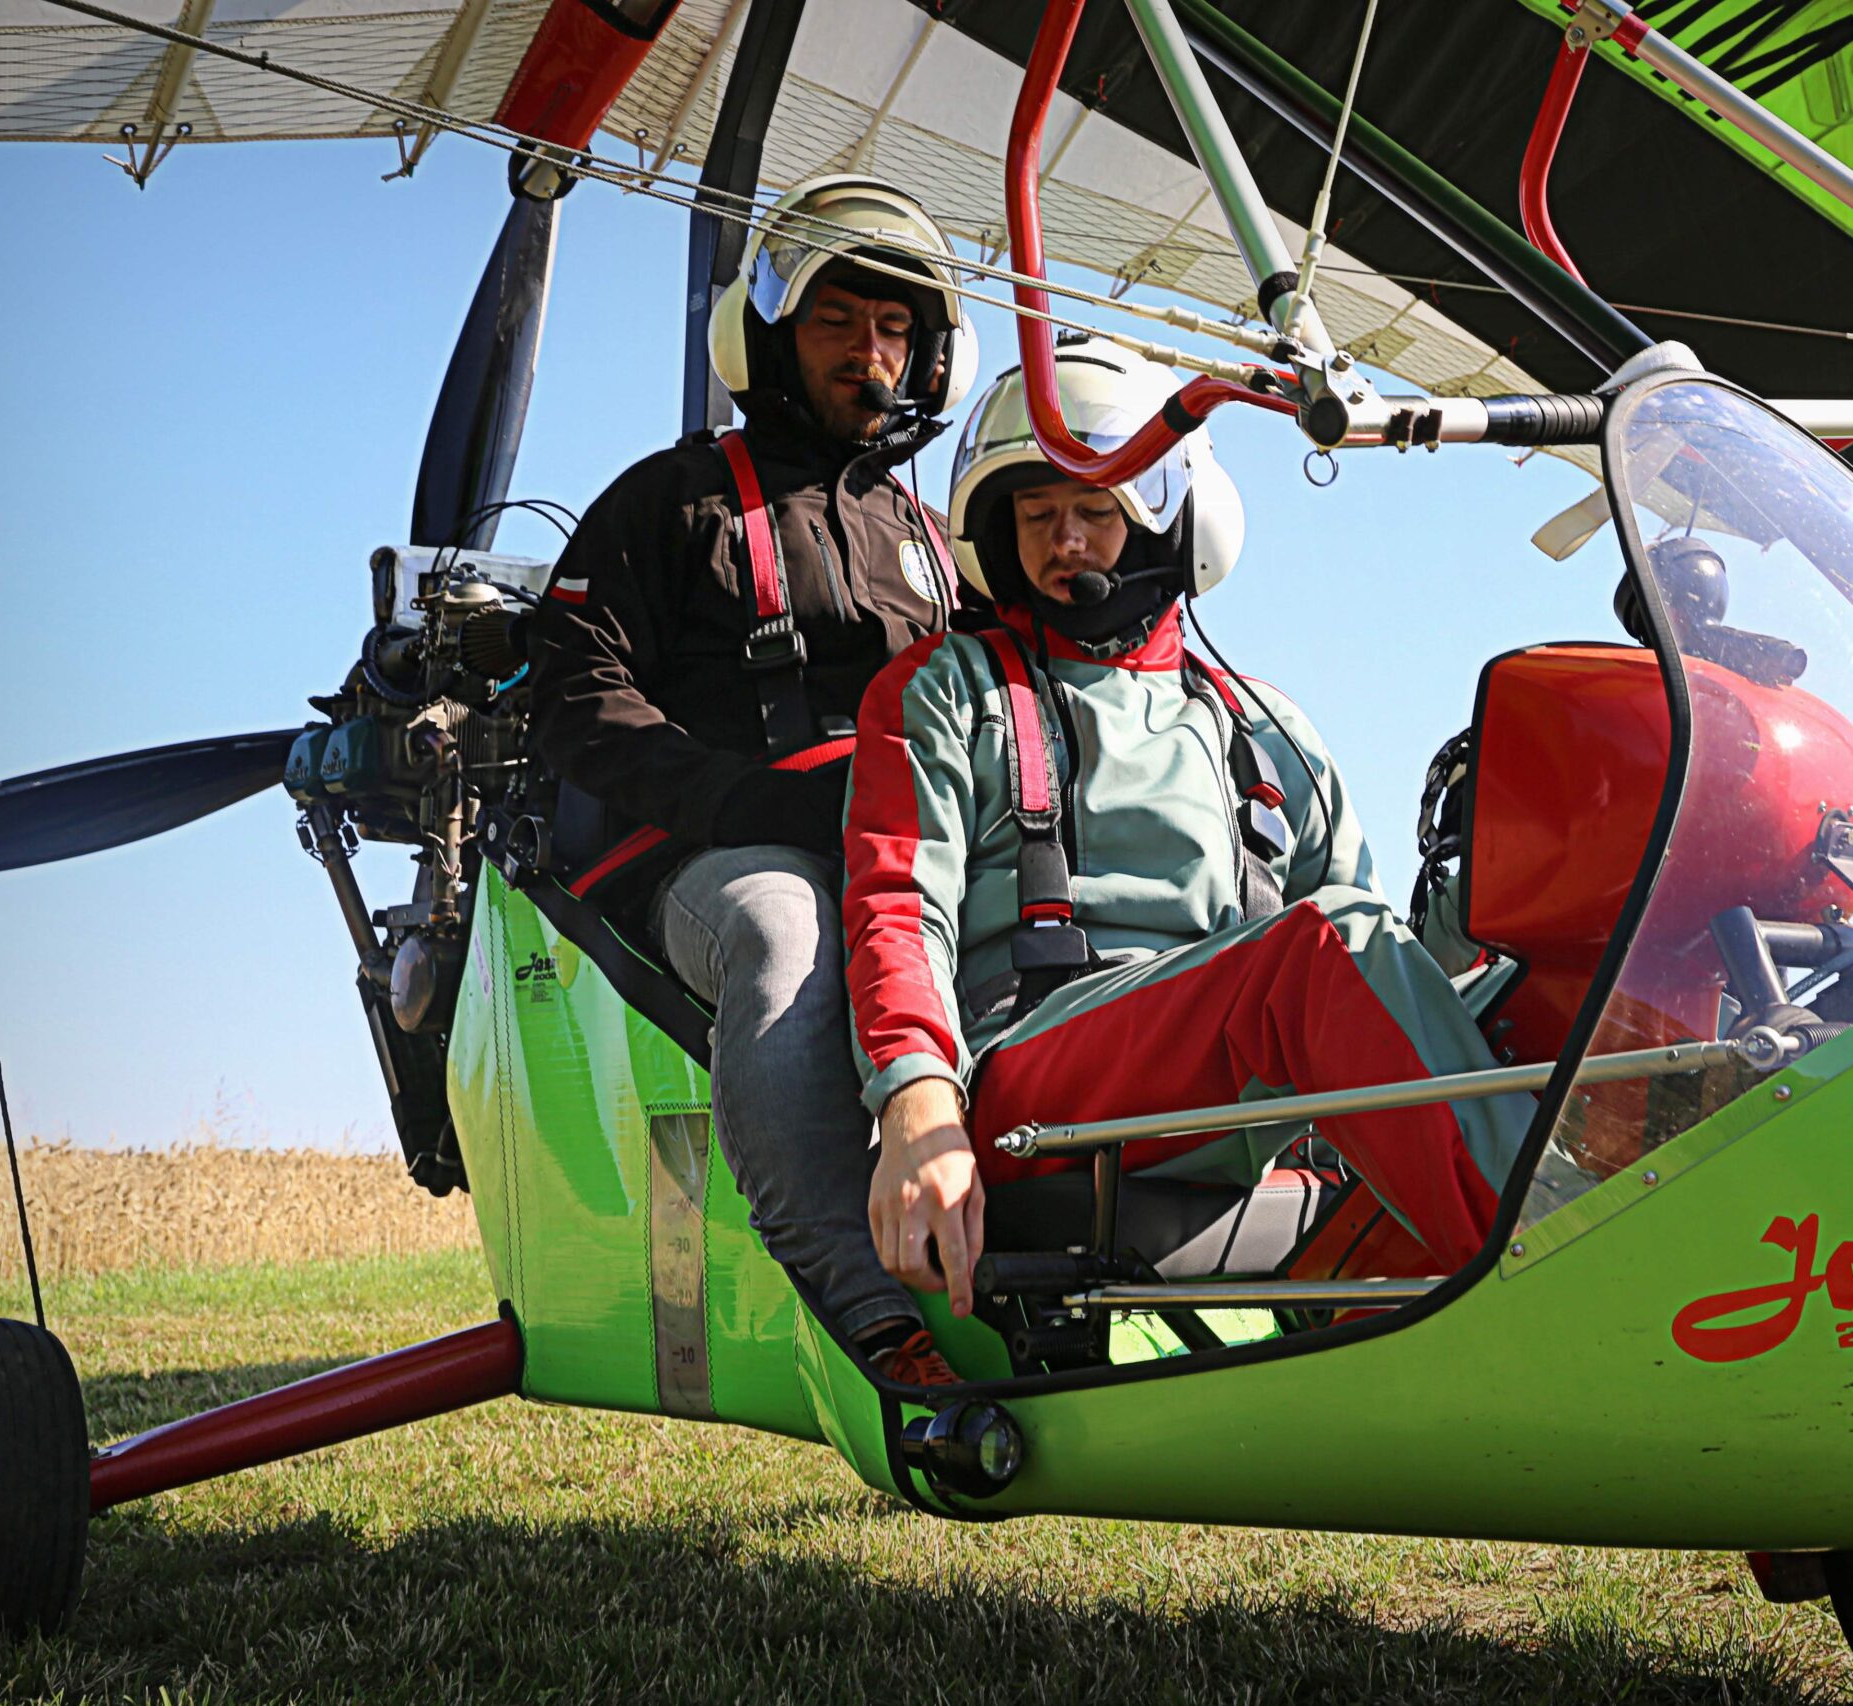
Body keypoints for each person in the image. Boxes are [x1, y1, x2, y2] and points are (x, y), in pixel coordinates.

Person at [842, 343, 1525, 1325]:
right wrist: (915, 1098)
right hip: (1030, 1075)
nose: (1064, 541)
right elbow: (897, 909)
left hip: (1235, 1085)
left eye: (1095, 509)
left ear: (1171, 519)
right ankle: (1559, 1271)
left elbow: (1387, 954)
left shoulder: (1265, 727)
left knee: (1534, 991)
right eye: (1037, 515)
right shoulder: (950, 689)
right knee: (1323, 944)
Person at [526, 175, 978, 1384]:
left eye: (893, 330)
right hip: (714, 857)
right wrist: (746, 802)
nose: (868, 353)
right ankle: (866, 1304)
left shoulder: (944, 544)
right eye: (838, 322)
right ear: (773, 331)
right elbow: (574, 696)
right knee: (789, 930)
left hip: (902, 848)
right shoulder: (665, 503)